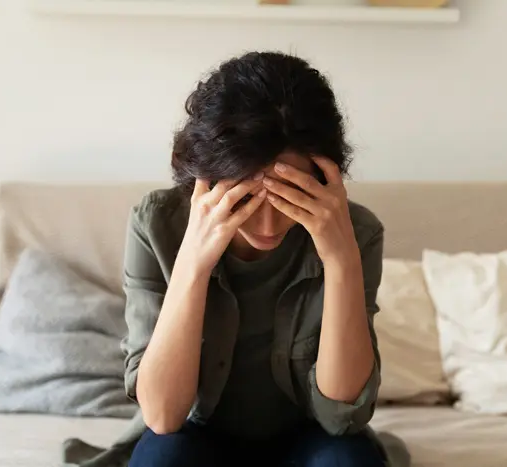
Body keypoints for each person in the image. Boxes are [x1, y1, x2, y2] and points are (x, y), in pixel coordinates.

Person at [121, 51, 386, 467]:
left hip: (312, 437)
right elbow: (163, 415)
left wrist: (341, 263)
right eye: (244, 197)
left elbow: (342, 415)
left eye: (289, 196)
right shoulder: (156, 224)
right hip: (197, 433)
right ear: (208, 177)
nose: (266, 223)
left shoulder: (358, 233)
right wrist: (193, 264)